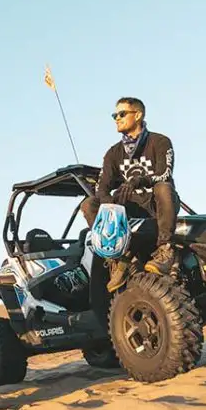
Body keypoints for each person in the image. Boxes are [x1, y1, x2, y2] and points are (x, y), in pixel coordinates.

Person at [81, 96, 180, 290]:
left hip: (156, 204)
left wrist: (139, 180)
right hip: (129, 209)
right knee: (89, 204)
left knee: (164, 187)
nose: (117, 118)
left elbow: (164, 174)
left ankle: (166, 250)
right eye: (114, 115)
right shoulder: (113, 153)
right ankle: (120, 259)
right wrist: (110, 205)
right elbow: (102, 187)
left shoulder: (160, 142)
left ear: (138, 115)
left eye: (122, 113)